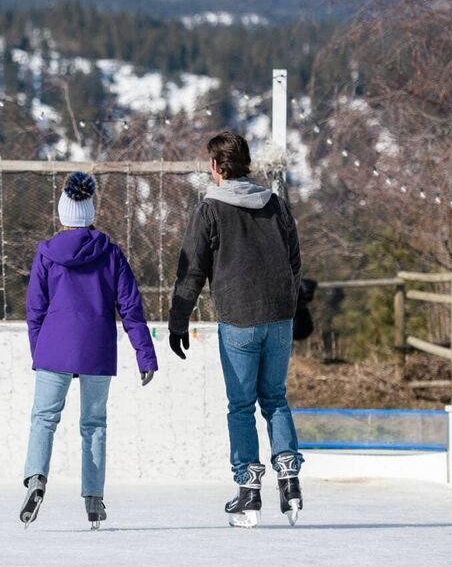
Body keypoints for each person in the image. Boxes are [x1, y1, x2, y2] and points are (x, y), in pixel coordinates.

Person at [167, 131, 304, 528]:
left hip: (240, 319)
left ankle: (248, 492)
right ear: (246, 164)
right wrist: (287, 304)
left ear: (216, 166)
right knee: (275, 398)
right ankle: (290, 481)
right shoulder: (274, 203)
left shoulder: (210, 208)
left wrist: (179, 321)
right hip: (279, 316)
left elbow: (192, 268)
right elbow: (294, 261)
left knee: (242, 406)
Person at [19, 172, 158, 530]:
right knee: (93, 425)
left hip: (54, 347)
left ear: (64, 215)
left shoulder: (46, 253)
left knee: (44, 419)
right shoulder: (109, 252)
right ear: (90, 213)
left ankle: (36, 480)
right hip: (97, 347)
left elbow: (35, 309)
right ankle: (93, 499)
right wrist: (145, 354)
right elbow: (130, 306)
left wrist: (42, 352)